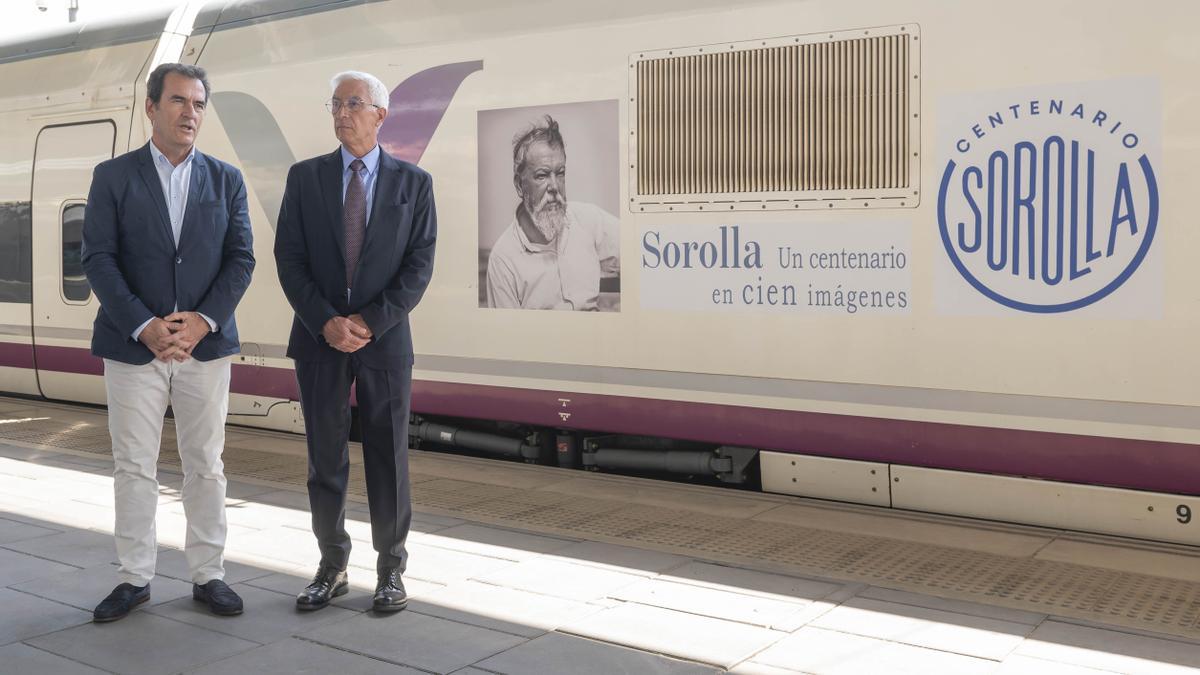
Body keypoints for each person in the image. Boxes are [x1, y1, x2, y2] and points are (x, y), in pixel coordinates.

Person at [82, 62, 255, 622]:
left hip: (204, 347)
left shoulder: (226, 178)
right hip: (135, 347)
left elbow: (240, 259)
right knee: (134, 465)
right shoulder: (113, 176)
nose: (190, 113)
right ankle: (134, 577)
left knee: (206, 463)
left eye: (199, 104)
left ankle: (209, 574)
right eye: (179, 101)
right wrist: (145, 325)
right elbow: (98, 259)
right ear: (152, 107)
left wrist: (202, 320)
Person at [274, 70, 436, 613]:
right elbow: (289, 260)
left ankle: (391, 570)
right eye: (336, 103)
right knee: (325, 457)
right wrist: (325, 321)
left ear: (380, 115)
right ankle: (331, 565)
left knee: (388, 456)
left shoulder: (414, 185)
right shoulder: (305, 178)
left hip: (385, 343)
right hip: (319, 340)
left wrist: (369, 321)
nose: (343, 113)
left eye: (354, 104)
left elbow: (418, 267)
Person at [485, 115, 619, 310]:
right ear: (520, 185)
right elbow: (508, 336)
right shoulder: (503, 260)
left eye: (561, 173)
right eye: (542, 175)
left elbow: (639, 245)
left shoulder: (588, 219)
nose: (555, 186)